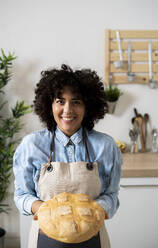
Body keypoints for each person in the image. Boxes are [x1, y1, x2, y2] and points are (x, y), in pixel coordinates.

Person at [13, 64, 122, 248]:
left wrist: (94, 209)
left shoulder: (106, 146)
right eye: (60, 101)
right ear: (49, 105)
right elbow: (21, 195)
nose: (68, 110)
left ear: (88, 106)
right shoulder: (31, 145)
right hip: (44, 238)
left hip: (94, 238)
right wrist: (46, 210)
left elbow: (111, 195)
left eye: (76, 102)